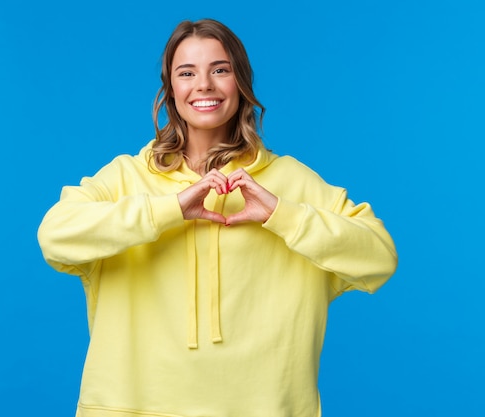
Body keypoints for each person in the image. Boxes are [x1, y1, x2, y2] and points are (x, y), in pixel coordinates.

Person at [37, 18, 398, 417]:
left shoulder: (288, 181)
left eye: (220, 70)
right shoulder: (126, 176)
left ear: (240, 83)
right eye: (186, 72)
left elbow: (379, 257)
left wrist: (282, 216)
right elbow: (55, 236)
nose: (204, 84)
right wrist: (170, 210)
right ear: (170, 89)